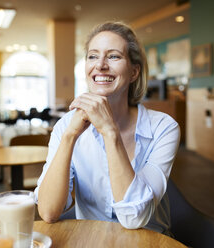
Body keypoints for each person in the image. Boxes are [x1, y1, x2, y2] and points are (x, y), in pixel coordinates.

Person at [35, 21, 180, 236]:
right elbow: (48, 212)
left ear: (133, 72)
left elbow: (135, 218)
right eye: (93, 56)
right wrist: (69, 137)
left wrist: (109, 132)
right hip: (92, 240)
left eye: (113, 56)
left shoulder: (164, 128)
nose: (100, 65)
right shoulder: (66, 125)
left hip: (148, 241)